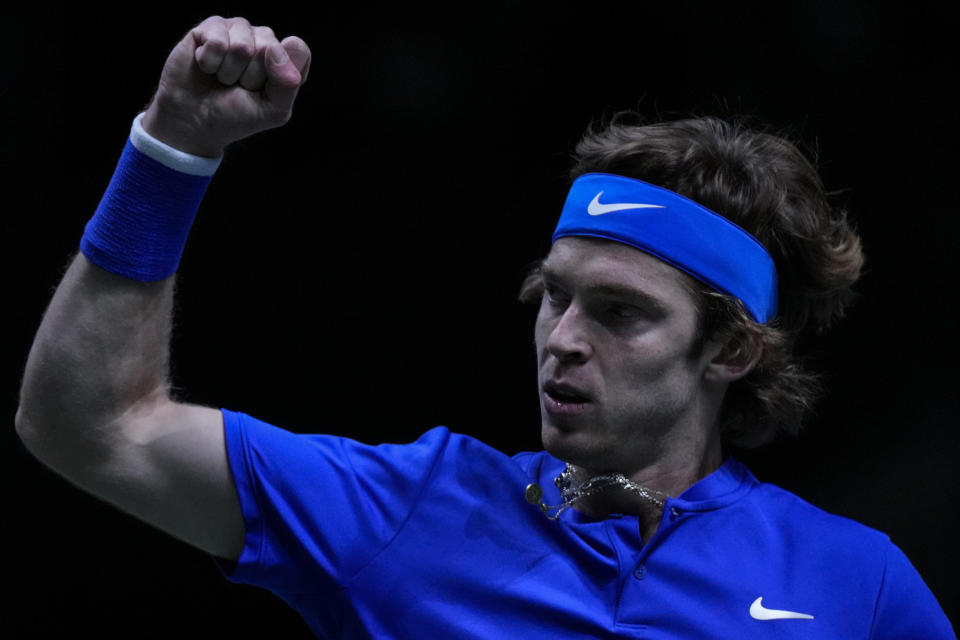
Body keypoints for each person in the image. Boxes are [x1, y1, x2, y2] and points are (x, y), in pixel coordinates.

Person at [15, 15, 954, 639]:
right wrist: (172, 148)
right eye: (556, 294)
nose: (563, 336)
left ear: (733, 349)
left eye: (621, 312)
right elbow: (93, 424)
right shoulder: (411, 510)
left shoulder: (856, 586)